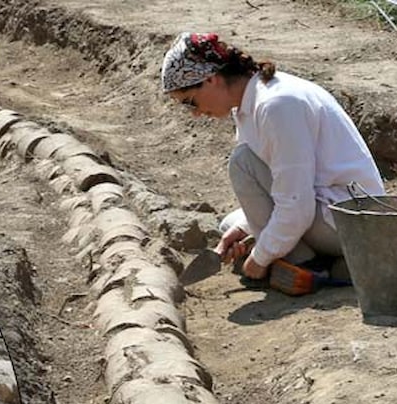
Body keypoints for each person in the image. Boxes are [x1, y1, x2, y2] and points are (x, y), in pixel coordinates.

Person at [161, 32, 384, 282]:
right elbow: (283, 185)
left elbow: (297, 204)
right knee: (230, 225)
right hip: (328, 211)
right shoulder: (251, 103)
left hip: (356, 224)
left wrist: (260, 257)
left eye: (190, 102)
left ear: (211, 79)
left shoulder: (277, 105)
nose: (195, 113)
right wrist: (246, 230)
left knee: (242, 163)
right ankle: (328, 263)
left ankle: (309, 265)